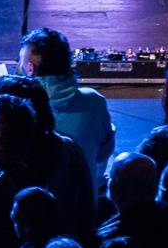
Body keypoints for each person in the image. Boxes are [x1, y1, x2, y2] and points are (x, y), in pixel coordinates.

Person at [16, 28, 115, 186]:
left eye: (21, 61)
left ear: (30, 69)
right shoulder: (95, 101)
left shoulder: (17, 107)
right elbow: (103, 153)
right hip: (84, 205)